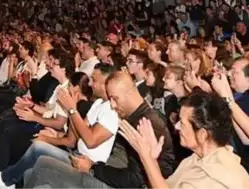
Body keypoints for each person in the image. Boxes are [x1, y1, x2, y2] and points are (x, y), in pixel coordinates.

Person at [22, 72, 175, 189]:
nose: (113, 105)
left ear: (129, 93)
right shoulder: (133, 114)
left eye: (115, 98)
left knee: (43, 170)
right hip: (106, 171)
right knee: (36, 172)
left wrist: (93, 168)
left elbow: (134, 180)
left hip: (113, 180)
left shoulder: (147, 123)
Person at [119, 91, 249, 189]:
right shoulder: (195, 160)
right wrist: (152, 160)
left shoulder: (217, 176)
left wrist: (146, 158)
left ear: (202, 134)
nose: (177, 126)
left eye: (182, 123)